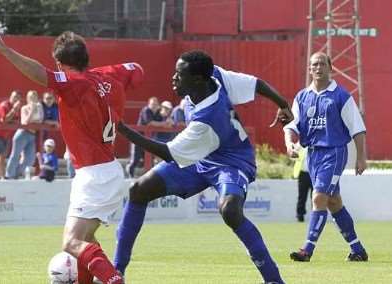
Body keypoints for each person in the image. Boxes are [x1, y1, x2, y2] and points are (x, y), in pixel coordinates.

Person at [0, 22, 143, 284]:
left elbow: (38, 73)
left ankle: (113, 279)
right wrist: (107, 75)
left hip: (93, 174)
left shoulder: (72, 83)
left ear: (59, 62)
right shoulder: (107, 76)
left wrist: (4, 49)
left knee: (71, 241)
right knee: (87, 240)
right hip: (109, 169)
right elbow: (137, 70)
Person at [114, 50, 293, 284]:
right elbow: (256, 84)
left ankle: (273, 280)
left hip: (232, 161)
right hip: (203, 157)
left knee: (230, 210)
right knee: (139, 189)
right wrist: (282, 104)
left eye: (180, 74)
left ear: (198, 79)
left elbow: (167, 153)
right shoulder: (216, 75)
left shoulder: (208, 117)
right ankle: (117, 273)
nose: (174, 78)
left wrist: (122, 129)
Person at [283, 52, 368, 262]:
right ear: (310, 69)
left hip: (335, 152)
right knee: (333, 202)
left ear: (331, 68)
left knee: (318, 197)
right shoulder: (302, 97)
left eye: (322, 63)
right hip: (312, 155)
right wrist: (289, 144)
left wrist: (361, 157)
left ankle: (307, 250)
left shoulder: (341, 96)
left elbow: (357, 129)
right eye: (314, 64)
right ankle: (357, 249)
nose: (318, 67)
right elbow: (291, 126)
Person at [5, 90, 44, 179]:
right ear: (27, 99)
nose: (33, 99)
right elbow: (25, 122)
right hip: (22, 133)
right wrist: (32, 111)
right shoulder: (24, 108)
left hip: (32, 135)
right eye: (31, 97)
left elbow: (41, 120)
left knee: (30, 159)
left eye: (34, 97)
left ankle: (16, 173)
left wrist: (33, 119)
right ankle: (9, 175)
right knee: (15, 155)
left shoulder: (39, 107)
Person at [0, 90, 22, 180]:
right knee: (1, 155)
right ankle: (3, 176)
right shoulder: (4, 105)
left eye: (18, 97)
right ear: (10, 97)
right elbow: (4, 120)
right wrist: (14, 110)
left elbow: (17, 121)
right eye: (14, 97)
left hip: (6, 135)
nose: (16, 99)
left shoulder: (18, 108)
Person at [125, 96, 161, 177]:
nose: (154, 106)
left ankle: (149, 177)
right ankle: (130, 175)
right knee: (135, 159)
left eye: (155, 104)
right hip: (138, 138)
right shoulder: (146, 110)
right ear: (149, 104)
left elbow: (162, 121)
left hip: (148, 140)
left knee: (150, 160)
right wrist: (163, 124)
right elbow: (150, 123)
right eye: (152, 104)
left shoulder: (158, 113)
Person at [292, 147, 312, 222]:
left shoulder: (316, 146)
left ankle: (315, 215)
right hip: (303, 174)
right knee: (302, 196)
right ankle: (300, 215)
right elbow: (294, 157)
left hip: (314, 174)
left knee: (315, 196)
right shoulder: (301, 147)